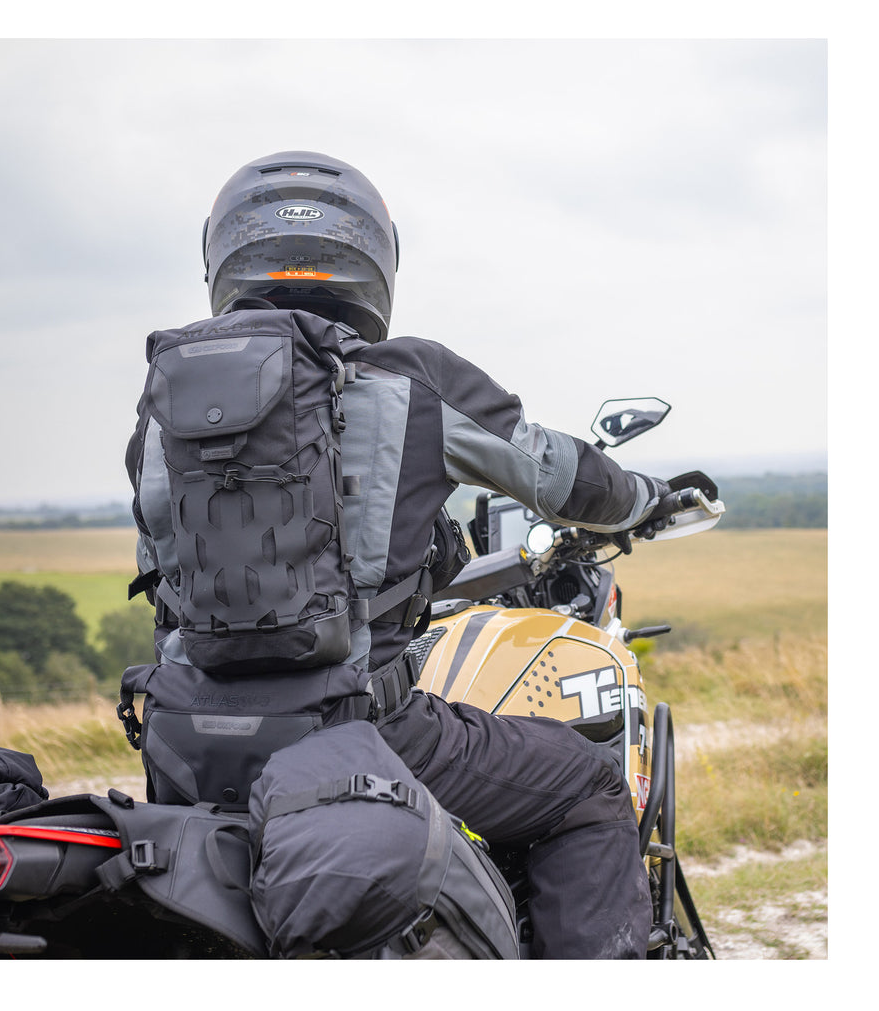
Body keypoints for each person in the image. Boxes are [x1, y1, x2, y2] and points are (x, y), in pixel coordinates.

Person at [126, 151, 668, 959]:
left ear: (225, 255)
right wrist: (646, 498)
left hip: (184, 742)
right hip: (361, 728)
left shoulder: (163, 403)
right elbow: (562, 477)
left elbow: (162, 573)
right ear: (374, 258)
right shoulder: (413, 378)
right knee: (586, 785)